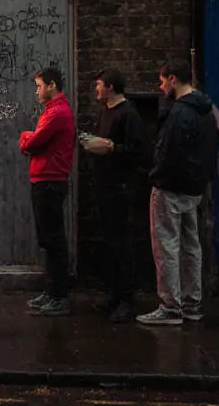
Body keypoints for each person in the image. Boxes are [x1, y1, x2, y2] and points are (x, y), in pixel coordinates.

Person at [137, 62, 219, 326]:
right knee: (191, 246)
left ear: (173, 79)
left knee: (166, 246)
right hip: (194, 188)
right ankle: (192, 303)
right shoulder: (207, 111)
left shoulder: (178, 113)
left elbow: (168, 152)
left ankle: (170, 307)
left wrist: (155, 176)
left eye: (162, 82)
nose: (161, 87)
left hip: (170, 188)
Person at [81, 68, 146, 323]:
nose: (96, 89)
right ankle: (116, 294)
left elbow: (138, 152)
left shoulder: (129, 115)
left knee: (122, 244)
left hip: (120, 188)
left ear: (110, 87)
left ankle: (127, 300)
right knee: (110, 243)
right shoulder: (105, 112)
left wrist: (110, 148)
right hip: (104, 187)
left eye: (98, 85)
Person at [19, 67, 76, 317]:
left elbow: (32, 143)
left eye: (39, 85)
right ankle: (52, 291)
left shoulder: (57, 113)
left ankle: (59, 296)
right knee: (49, 239)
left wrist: (24, 136)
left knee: (53, 239)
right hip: (45, 179)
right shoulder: (53, 111)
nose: (37, 90)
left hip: (50, 180)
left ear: (52, 86)